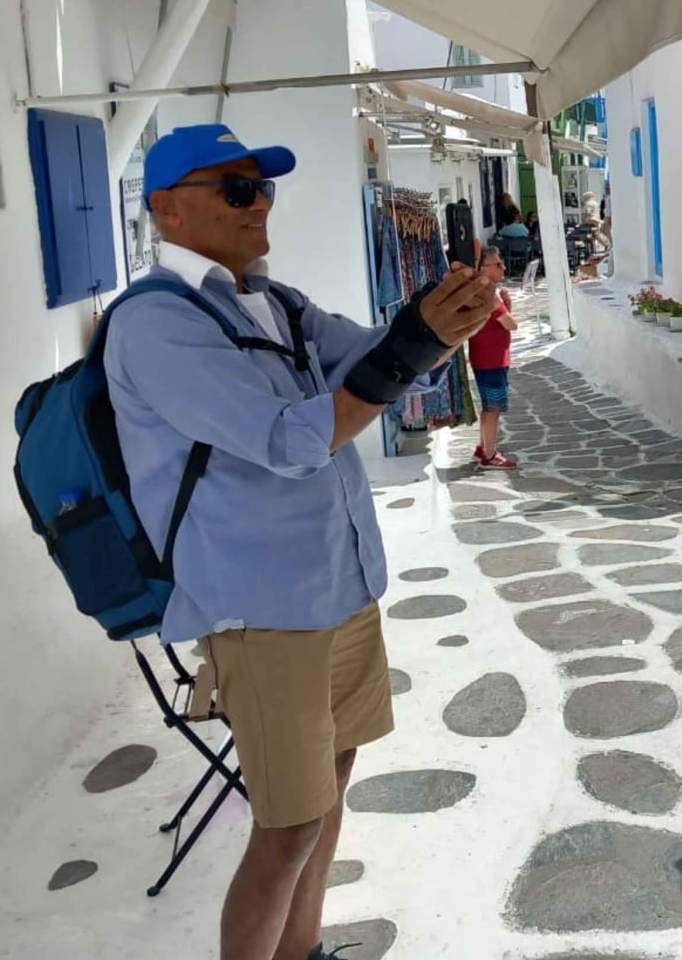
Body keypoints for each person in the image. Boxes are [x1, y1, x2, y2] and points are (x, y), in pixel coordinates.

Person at [109, 124, 496, 960]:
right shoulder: (154, 324)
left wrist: (435, 325)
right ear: (168, 208)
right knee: (286, 828)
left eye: (265, 188)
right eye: (238, 189)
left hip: (339, 584)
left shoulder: (274, 301)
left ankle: (302, 950)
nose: (260, 205)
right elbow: (289, 437)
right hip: (263, 612)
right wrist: (403, 355)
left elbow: (375, 359)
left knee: (328, 795)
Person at [470, 246, 520, 468]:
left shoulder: (485, 292)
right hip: (491, 359)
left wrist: (507, 307)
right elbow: (511, 324)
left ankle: (483, 447)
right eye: (497, 264)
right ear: (483, 268)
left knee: (488, 406)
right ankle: (489, 455)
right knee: (493, 408)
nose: (503, 267)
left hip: (485, 357)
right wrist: (506, 310)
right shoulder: (488, 295)